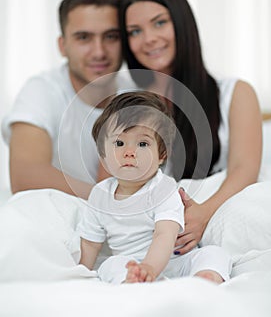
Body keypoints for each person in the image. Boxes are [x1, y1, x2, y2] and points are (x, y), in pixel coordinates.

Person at [119, 0, 263, 255]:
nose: (148, 38)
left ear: (182, 25)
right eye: (135, 31)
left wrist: (203, 213)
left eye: (159, 23)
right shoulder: (127, 103)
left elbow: (245, 170)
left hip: (217, 206)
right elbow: (114, 181)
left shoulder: (234, 92)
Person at [78, 91, 232, 284]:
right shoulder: (100, 195)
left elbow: (164, 234)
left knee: (214, 254)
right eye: (119, 143)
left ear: (161, 155)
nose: (129, 152)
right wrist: (80, 272)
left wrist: (150, 268)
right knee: (110, 264)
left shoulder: (163, 188)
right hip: (132, 266)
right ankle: (133, 283)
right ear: (103, 153)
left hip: (176, 261)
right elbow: (91, 243)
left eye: (143, 143)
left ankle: (204, 280)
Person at [1, 0, 131, 199]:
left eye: (111, 37)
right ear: (62, 45)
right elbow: (25, 176)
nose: (99, 52)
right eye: (83, 38)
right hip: (59, 218)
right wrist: (108, 202)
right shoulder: (42, 90)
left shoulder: (138, 92)